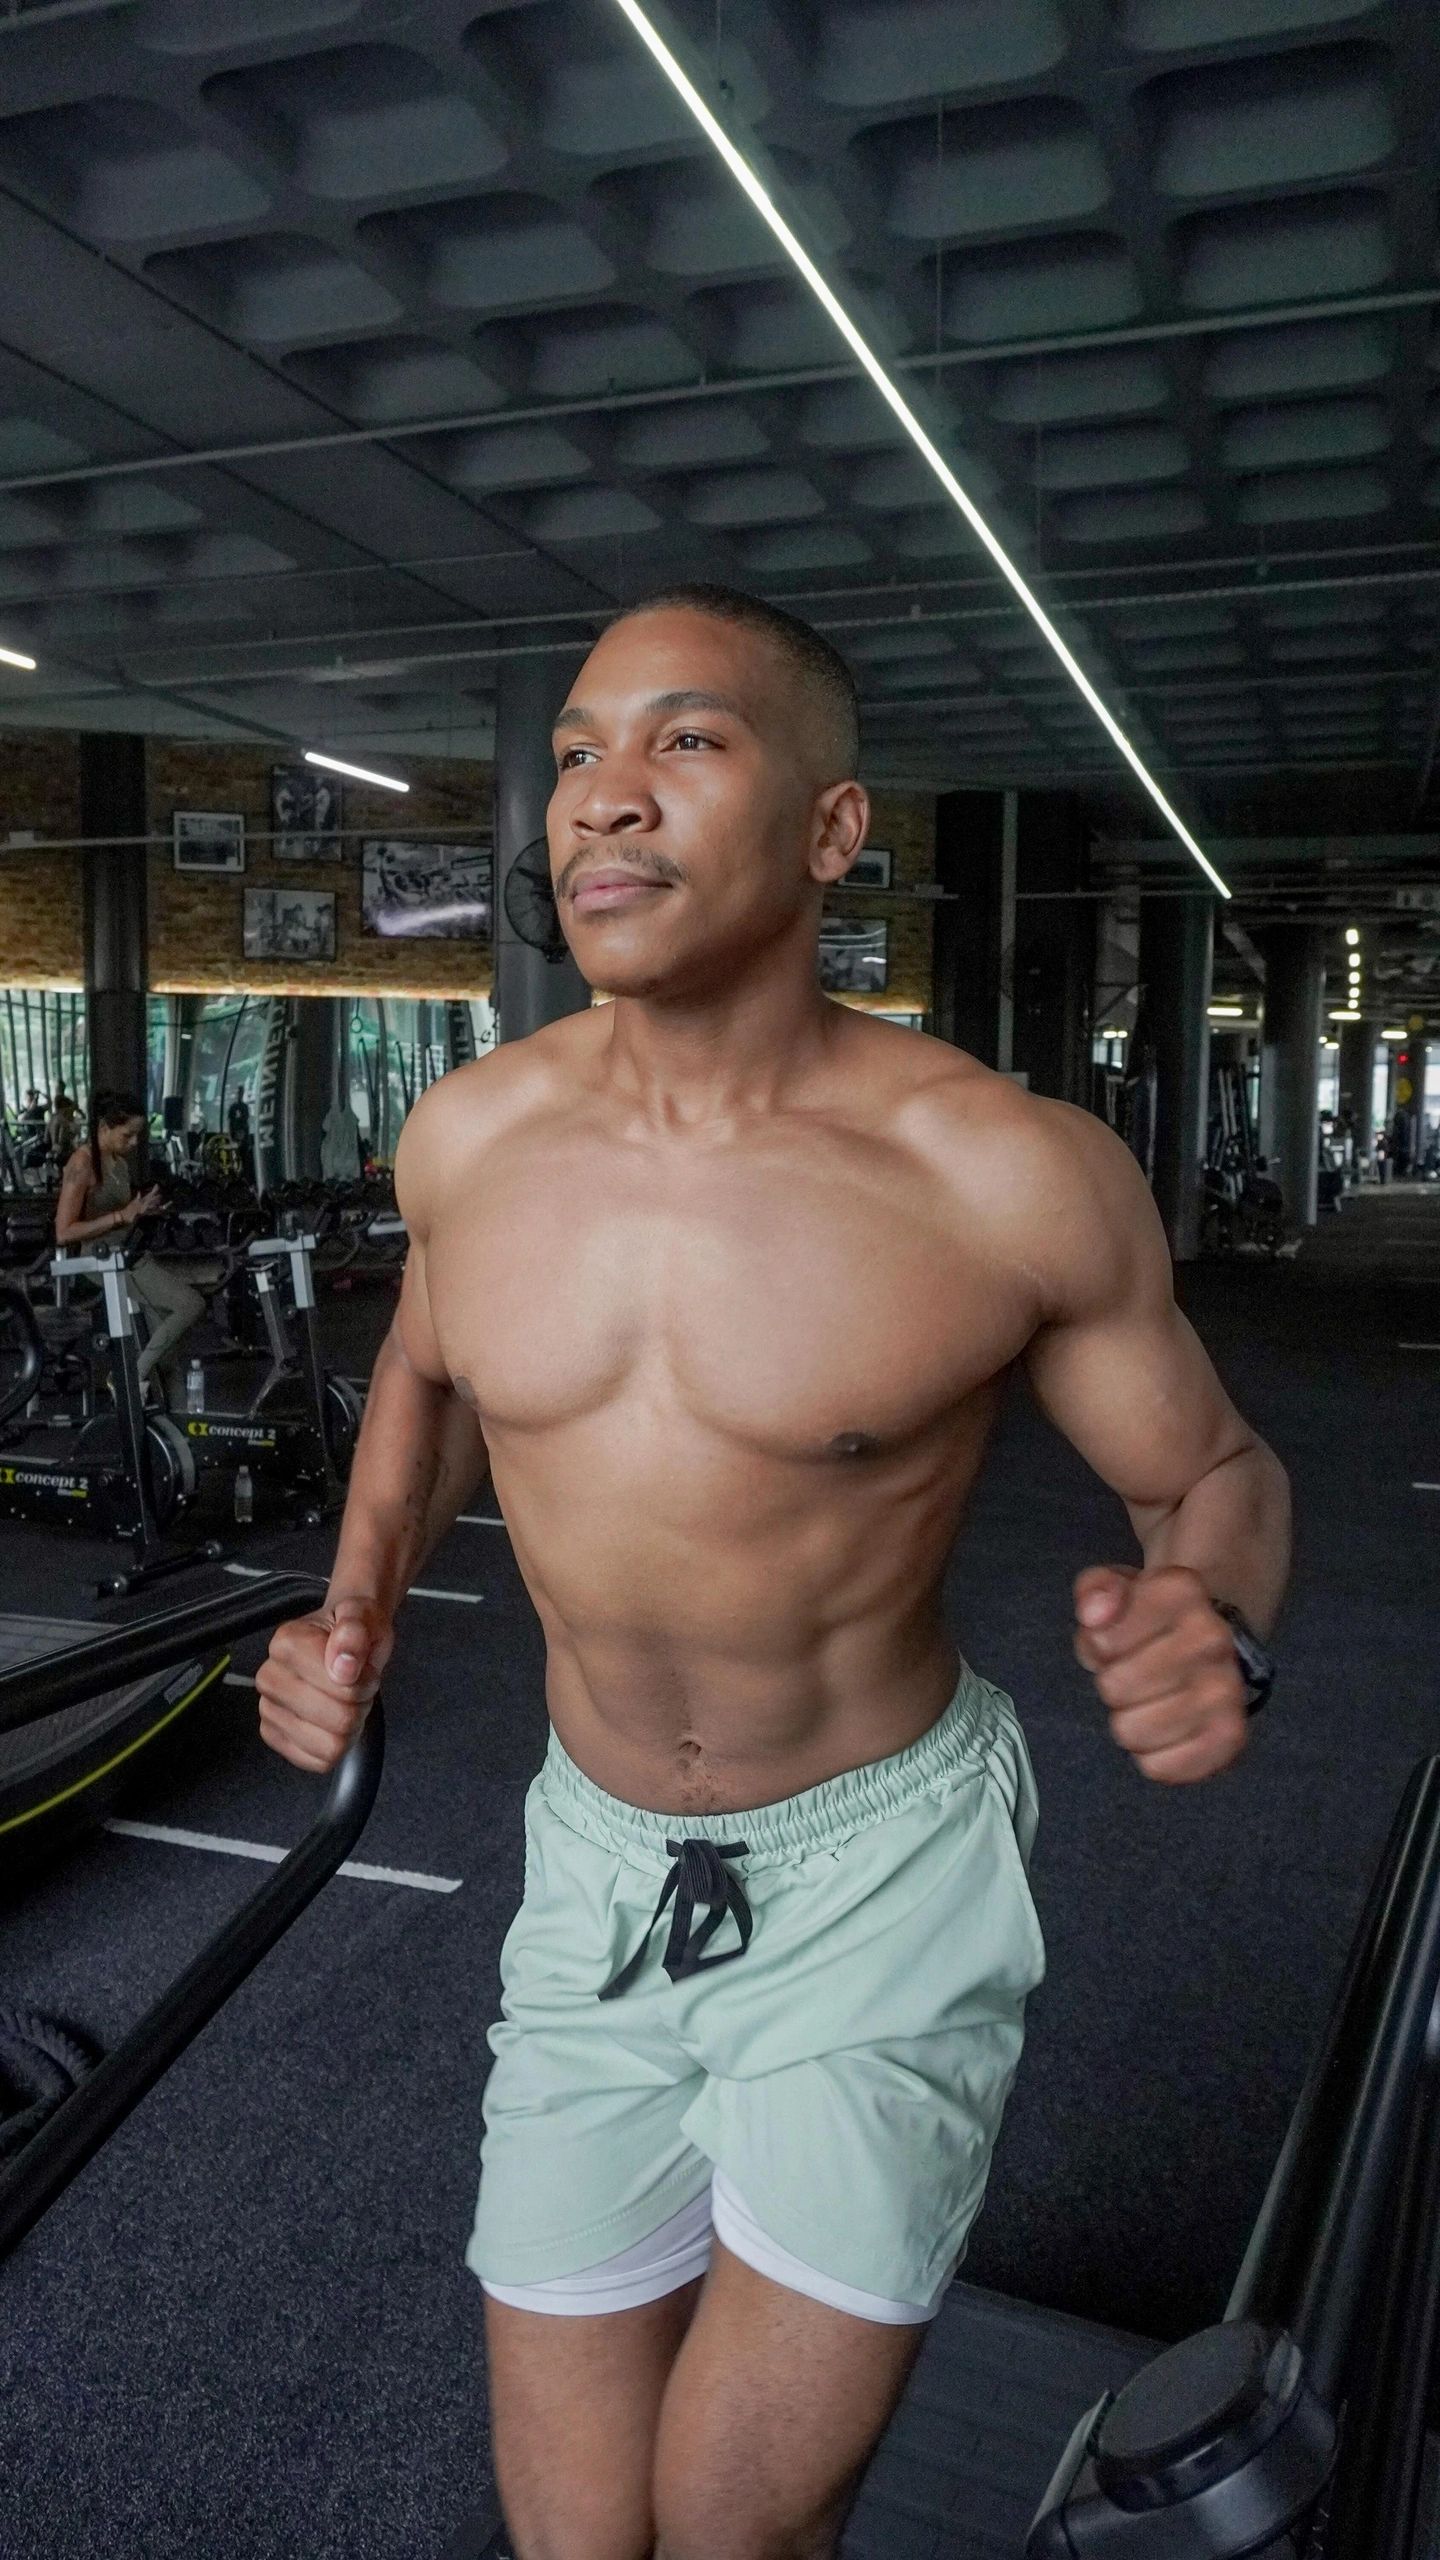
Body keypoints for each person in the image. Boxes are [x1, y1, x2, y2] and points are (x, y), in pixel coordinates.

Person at [254, 586, 1291, 2560]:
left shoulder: (996, 1169)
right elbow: (430, 1369)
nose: (601, 795)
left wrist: (1215, 1612)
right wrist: (356, 1596)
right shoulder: (469, 1138)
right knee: (577, 2530)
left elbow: (1216, 1470)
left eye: (686, 740)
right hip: (594, 1873)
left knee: (734, 2521)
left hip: (877, 1877)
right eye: (576, 751)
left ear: (833, 829)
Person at [55, 1090, 204, 1409]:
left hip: (129, 1255)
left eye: (138, 1135)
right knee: (191, 1304)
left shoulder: (120, 1165)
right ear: (104, 1127)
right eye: (128, 1135)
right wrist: (121, 1215)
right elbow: (64, 1232)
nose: (134, 1143)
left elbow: (122, 1217)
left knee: (166, 1351)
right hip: (100, 1260)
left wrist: (142, 1211)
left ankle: (178, 1423)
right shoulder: (81, 1163)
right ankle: (127, 1377)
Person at [46, 1083, 77, 1160]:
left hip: (55, 1150)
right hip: (63, 1153)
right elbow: (65, 1141)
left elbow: (46, 1139)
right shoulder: (64, 1122)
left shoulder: (51, 1120)